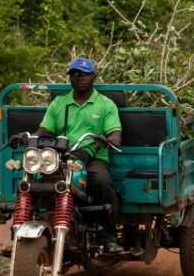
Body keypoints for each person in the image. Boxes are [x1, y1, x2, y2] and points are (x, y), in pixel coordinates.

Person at [35, 57, 123, 253]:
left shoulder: (105, 104)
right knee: (34, 180)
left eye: (83, 74)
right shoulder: (59, 103)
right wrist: (29, 139)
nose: (78, 77)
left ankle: (108, 238)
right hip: (61, 157)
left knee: (102, 182)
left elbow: (115, 133)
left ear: (93, 77)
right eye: (74, 74)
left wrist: (111, 139)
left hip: (93, 157)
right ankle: (32, 230)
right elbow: (44, 130)